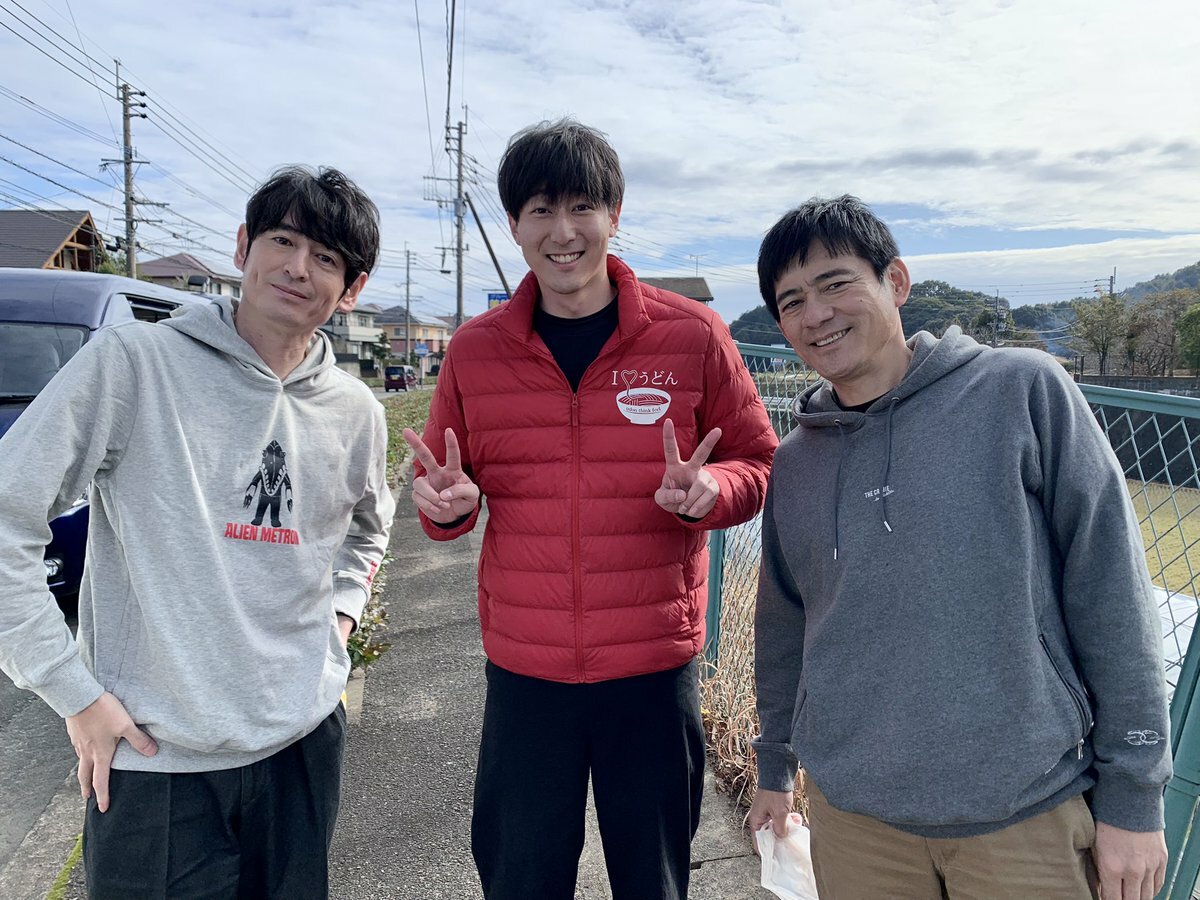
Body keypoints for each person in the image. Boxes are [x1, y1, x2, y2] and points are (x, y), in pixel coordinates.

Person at [747, 194, 1171, 899]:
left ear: (896, 281)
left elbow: (1112, 594)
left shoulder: (1021, 391)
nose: (815, 314)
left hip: (1024, 810)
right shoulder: (795, 463)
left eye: (835, 283)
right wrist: (774, 765)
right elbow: (784, 626)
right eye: (791, 302)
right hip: (856, 819)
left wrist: (1133, 797)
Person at [403, 119, 777, 900]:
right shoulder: (475, 351)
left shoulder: (692, 335)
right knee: (521, 876)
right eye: (541, 210)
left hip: (652, 667)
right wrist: (444, 508)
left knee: (655, 879)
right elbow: (444, 492)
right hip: (527, 671)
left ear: (615, 215)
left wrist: (713, 492)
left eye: (582, 207)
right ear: (514, 225)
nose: (563, 232)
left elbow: (760, 461)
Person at [0, 166, 395, 899]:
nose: (298, 268)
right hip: (158, 762)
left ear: (352, 289)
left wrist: (340, 619)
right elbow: (6, 517)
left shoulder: (355, 411)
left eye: (327, 257)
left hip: (302, 747)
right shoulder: (134, 364)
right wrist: (72, 692)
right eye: (283, 241)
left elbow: (367, 531)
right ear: (244, 246)